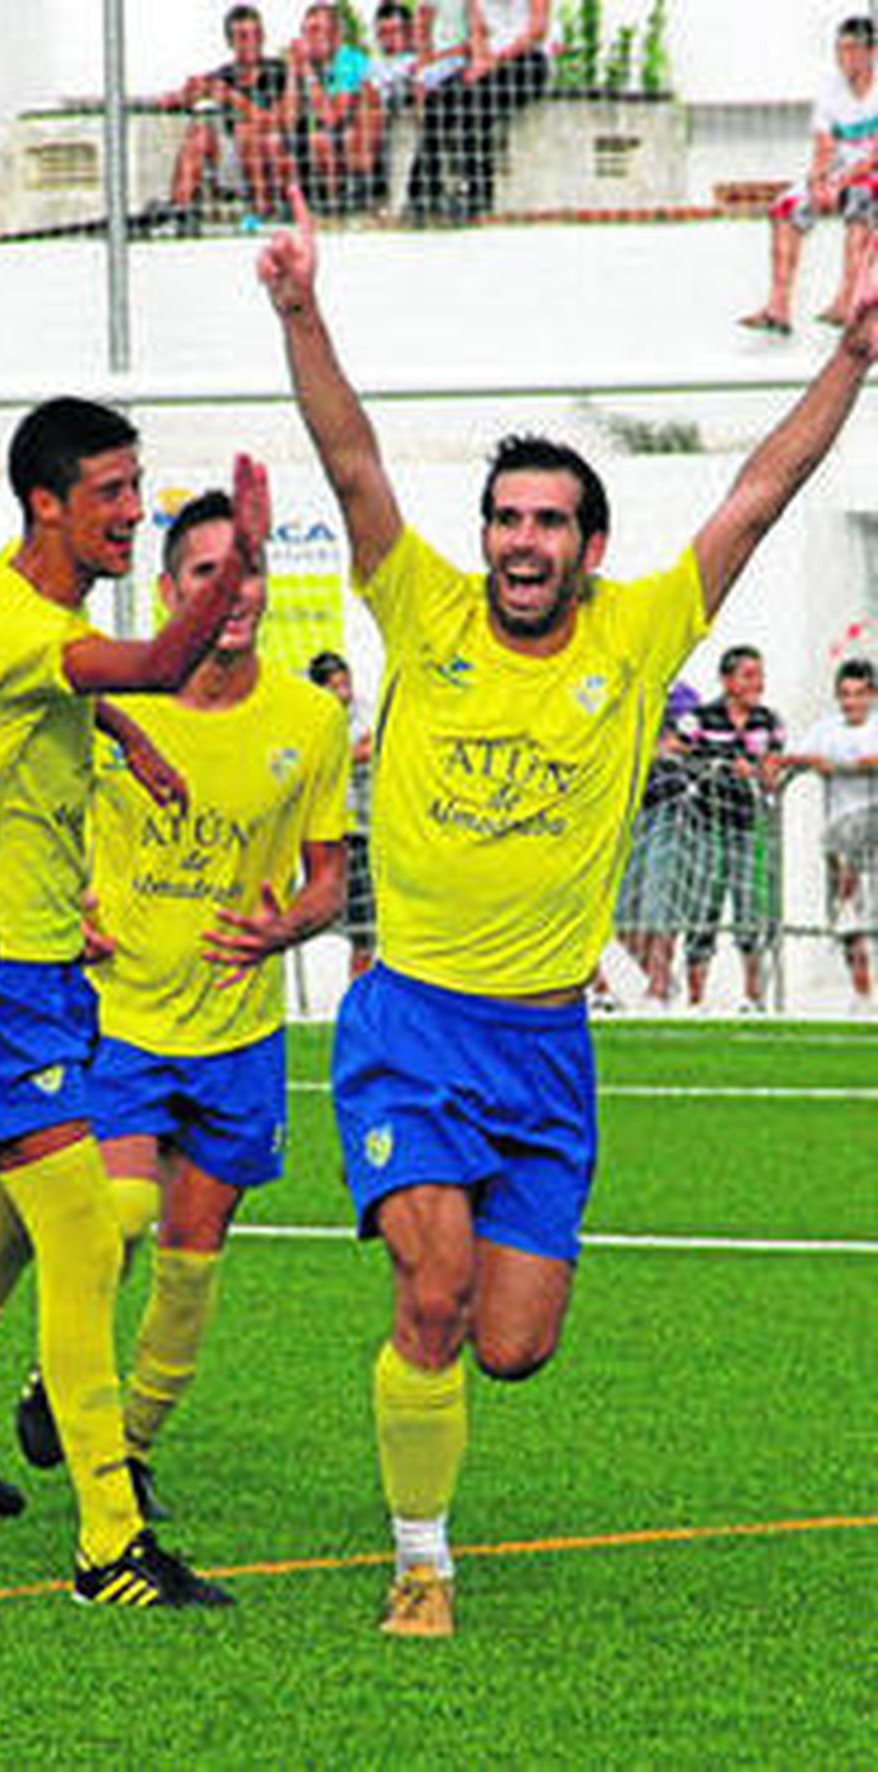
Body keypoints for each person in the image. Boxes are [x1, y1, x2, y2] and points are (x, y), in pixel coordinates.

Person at [257, 185, 878, 1636]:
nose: (521, 541)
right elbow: (349, 464)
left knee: (514, 1343)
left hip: (546, 1051)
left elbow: (761, 496)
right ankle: (422, 1556)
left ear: (589, 545)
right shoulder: (423, 610)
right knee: (432, 1297)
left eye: (548, 522)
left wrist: (852, 353)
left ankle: (443, 1397)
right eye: (505, 520)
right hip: (411, 1023)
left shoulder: (643, 625)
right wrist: (301, 311)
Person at [0, 399, 269, 1608]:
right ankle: (109, 1541)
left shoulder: (37, 611)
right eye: (114, 494)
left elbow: (94, 683)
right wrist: (238, 557)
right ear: (47, 503)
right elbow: (144, 658)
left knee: (18, 1213)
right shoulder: (11, 619)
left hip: (30, 967)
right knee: (85, 1234)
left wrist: (127, 740)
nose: (134, 514)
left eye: (140, 489)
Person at [10, 489, 350, 1521]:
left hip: (238, 1030)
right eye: (208, 572)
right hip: (118, 1016)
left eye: (246, 571)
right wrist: (68, 905)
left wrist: (286, 926)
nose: (233, 593)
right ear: (167, 591)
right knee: (114, 1214)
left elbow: (330, 877)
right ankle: (65, 1398)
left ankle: (128, 1445)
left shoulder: (312, 717)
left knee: (192, 1265)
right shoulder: (113, 702)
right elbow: (33, 824)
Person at [741, 17, 878, 338]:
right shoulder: (829, 89)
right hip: (838, 172)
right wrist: (818, 181)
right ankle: (778, 307)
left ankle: (847, 301)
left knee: (861, 204)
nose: (843, 58)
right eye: (839, 50)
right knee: (785, 208)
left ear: (870, 52)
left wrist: (840, 183)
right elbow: (824, 146)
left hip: (868, 174)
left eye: (851, 50)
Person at [675, 646, 786, 1013]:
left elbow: (774, 768)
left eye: (760, 674)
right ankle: (695, 999)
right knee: (702, 907)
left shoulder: (769, 721)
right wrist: (717, 764)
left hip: (747, 825)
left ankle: (753, 996)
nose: (758, 683)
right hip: (704, 825)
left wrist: (760, 771)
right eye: (748, 675)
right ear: (727, 680)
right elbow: (674, 749)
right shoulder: (700, 717)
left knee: (749, 909)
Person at [769, 656, 878, 1010]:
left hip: (870, 826)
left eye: (859, 694)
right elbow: (787, 757)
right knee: (848, 917)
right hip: (840, 832)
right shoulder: (827, 730)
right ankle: (862, 991)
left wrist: (851, 766)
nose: (852, 702)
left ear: (872, 695)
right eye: (845, 695)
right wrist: (803, 761)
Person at [408, 0, 549, 222]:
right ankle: (423, 193)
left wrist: (496, 59)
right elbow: (477, 31)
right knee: (439, 99)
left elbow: (537, 29)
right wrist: (480, 59)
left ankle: (478, 194)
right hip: (486, 63)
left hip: (525, 61)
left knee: (475, 107)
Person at [158, 4, 291, 235]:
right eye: (242, 37)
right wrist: (188, 94)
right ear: (231, 42)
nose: (250, 42)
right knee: (199, 132)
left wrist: (233, 99)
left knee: (247, 132)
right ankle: (180, 210)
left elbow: (277, 121)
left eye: (255, 35)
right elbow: (177, 97)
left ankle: (264, 213)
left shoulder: (279, 72)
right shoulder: (224, 75)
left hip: (271, 155)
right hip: (232, 159)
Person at [613, 681, 701, 1010]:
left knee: (659, 902)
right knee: (623, 909)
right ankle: (644, 972)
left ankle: (660, 985)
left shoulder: (684, 697)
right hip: (626, 811)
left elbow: (687, 741)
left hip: (668, 808)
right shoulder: (626, 683)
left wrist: (657, 745)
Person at [309, 649, 377, 978]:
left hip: (367, 832)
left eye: (345, 683)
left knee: (368, 932)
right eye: (335, 686)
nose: (344, 692)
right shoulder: (312, 721)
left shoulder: (365, 713)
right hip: (331, 835)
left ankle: (360, 1002)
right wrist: (352, 756)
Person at [279, 1, 380, 215]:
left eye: (316, 31)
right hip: (325, 143)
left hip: (359, 145)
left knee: (321, 140)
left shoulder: (350, 60)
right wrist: (292, 73)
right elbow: (287, 121)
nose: (309, 39)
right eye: (305, 32)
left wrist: (306, 72)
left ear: (335, 36)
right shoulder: (310, 68)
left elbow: (333, 116)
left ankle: (341, 202)